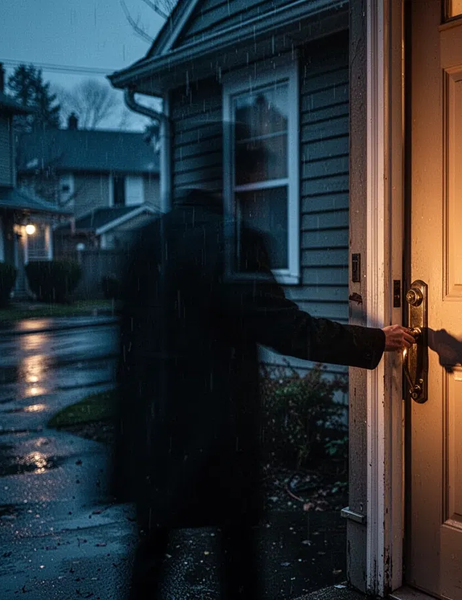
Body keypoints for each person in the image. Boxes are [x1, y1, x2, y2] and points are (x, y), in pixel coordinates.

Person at [112, 124, 415, 599]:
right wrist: (375, 340)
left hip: (154, 431)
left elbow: (128, 337)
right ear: (240, 177)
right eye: (256, 176)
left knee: (150, 556)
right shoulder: (231, 241)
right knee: (237, 556)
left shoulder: (151, 237)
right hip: (214, 433)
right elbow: (286, 328)